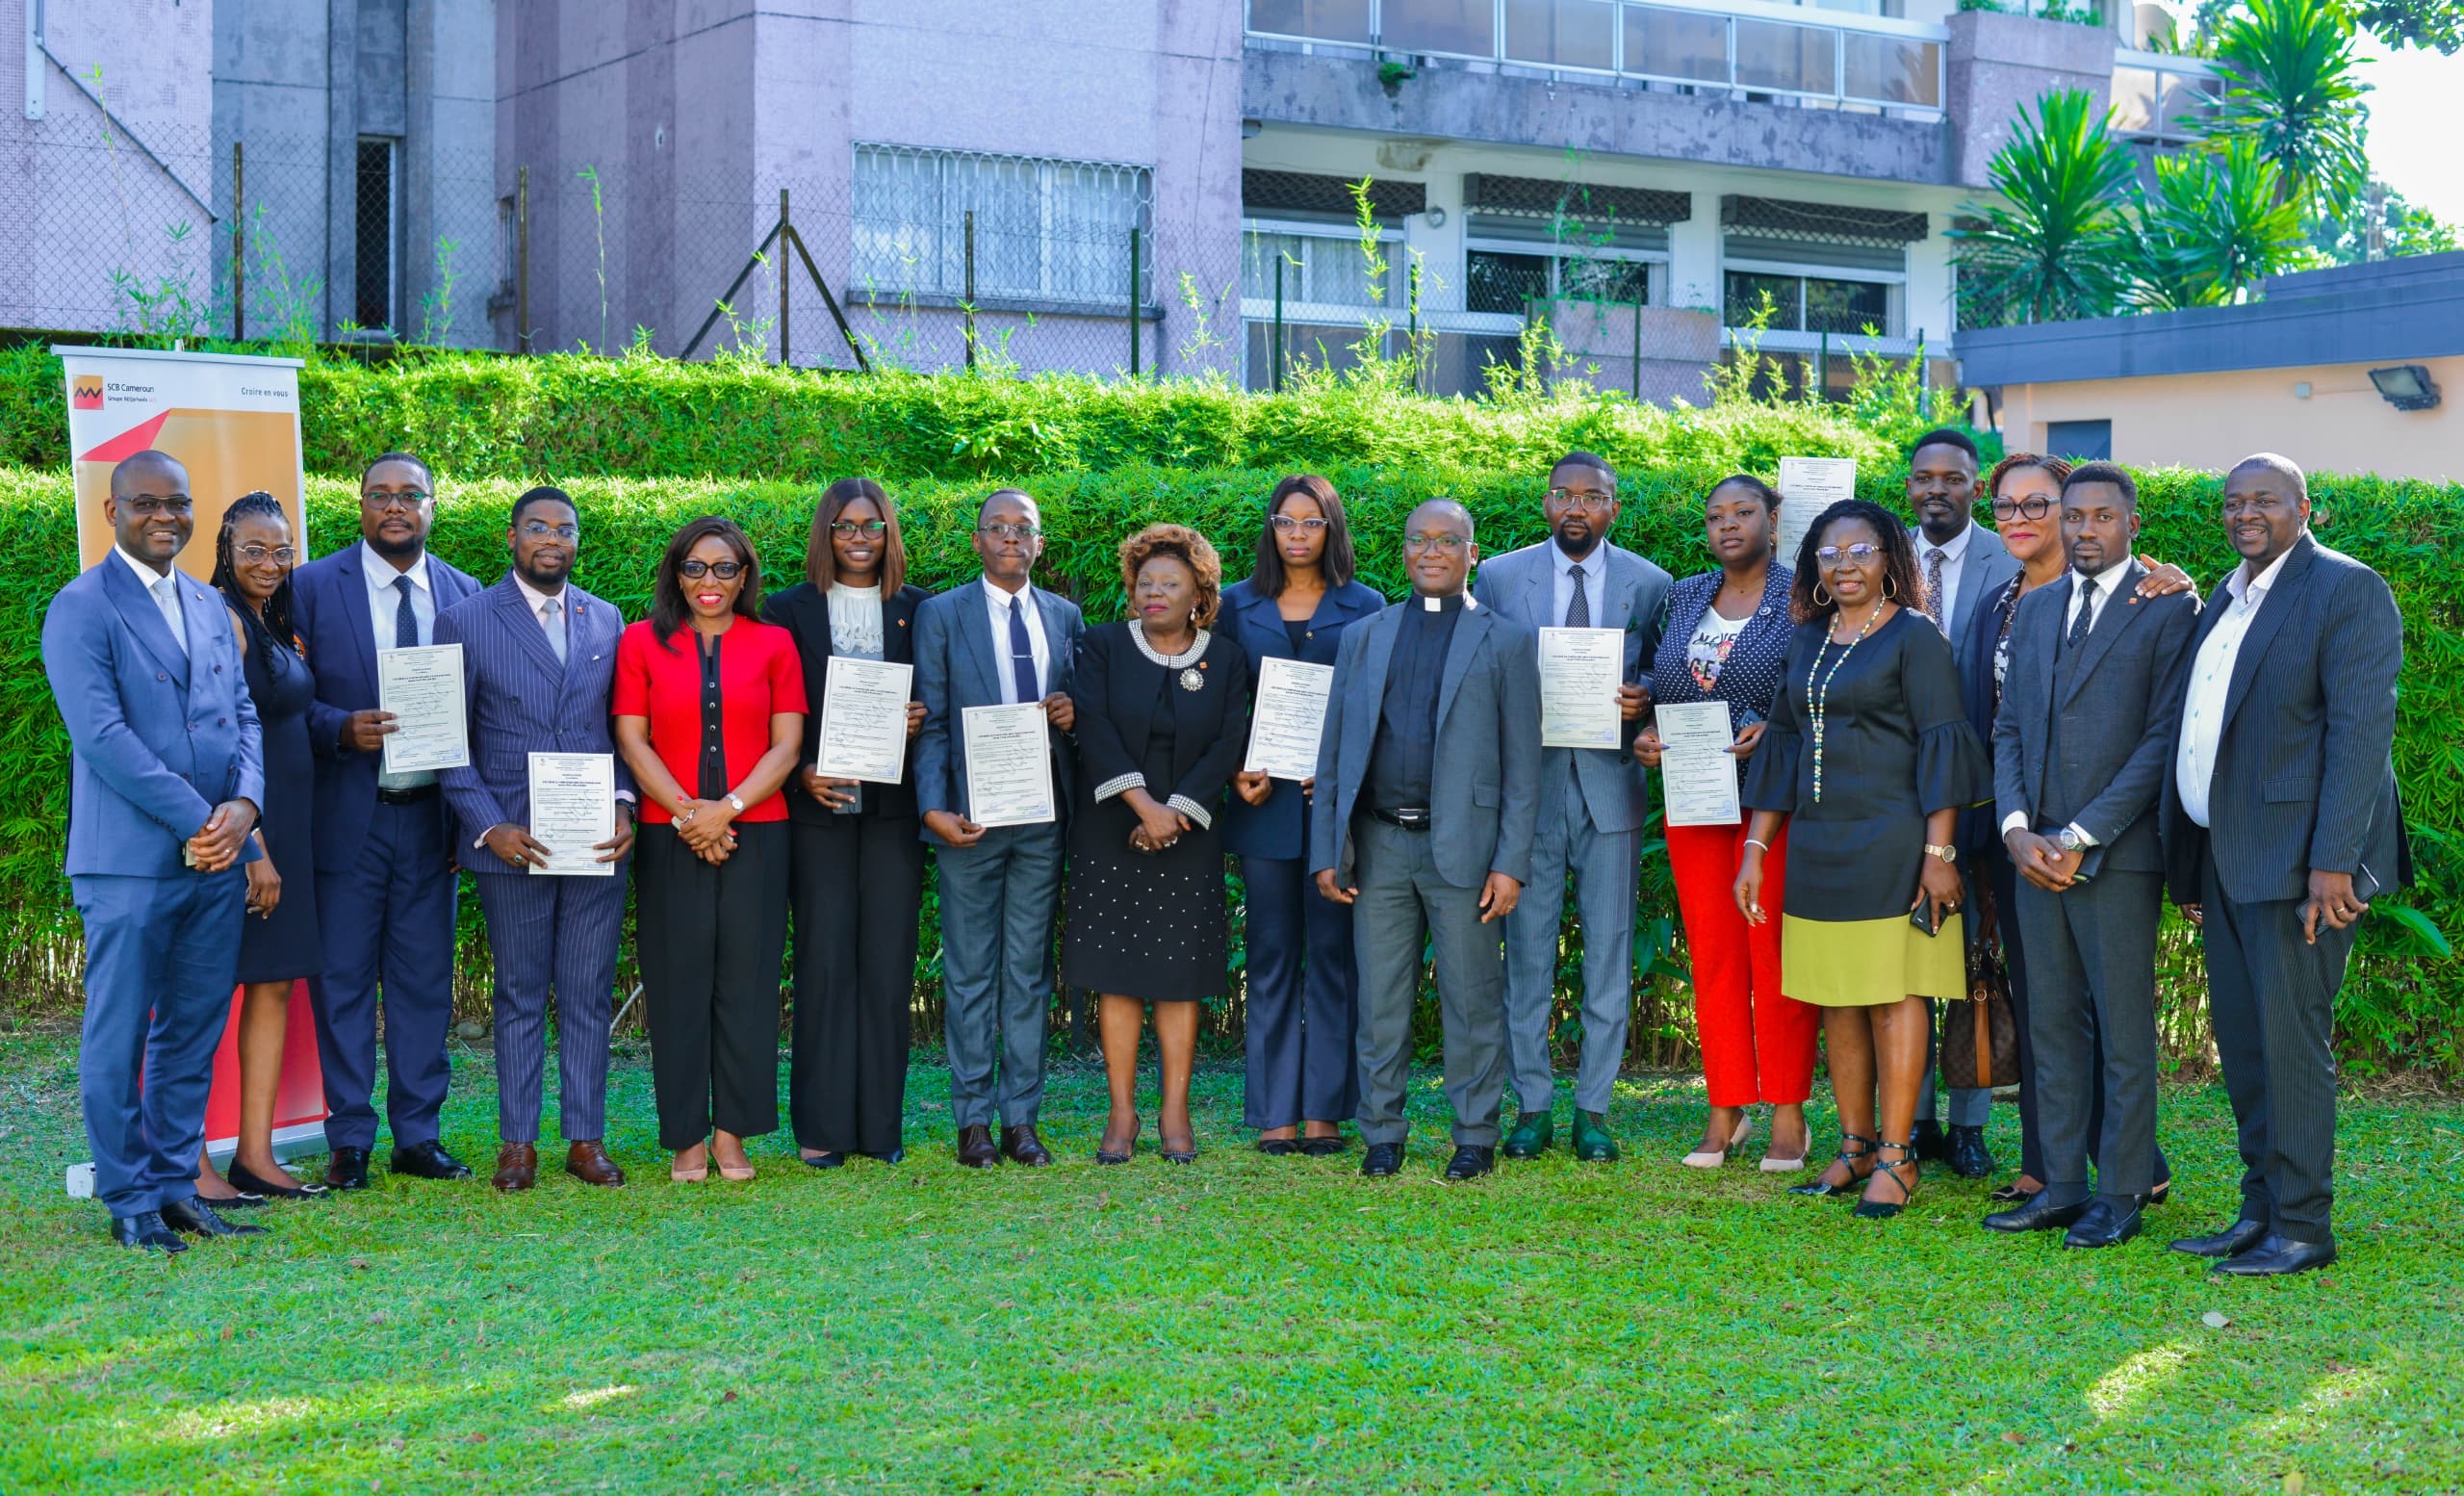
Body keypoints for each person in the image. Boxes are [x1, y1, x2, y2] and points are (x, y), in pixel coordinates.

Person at [2160, 453, 2407, 1277]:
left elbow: (2361, 737)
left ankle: (2303, 1227)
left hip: (2304, 869)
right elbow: (2208, 729)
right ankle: (2259, 1208)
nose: (2245, 513)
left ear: (2305, 508)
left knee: (2292, 1046)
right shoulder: (2227, 595)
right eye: (2233, 502)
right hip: (2231, 863)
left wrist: (2333, 865)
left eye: (2264, 499)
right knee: (2247, 1043)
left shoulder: (2346, 588)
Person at [1733, 500, 1990, 1220]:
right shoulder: (1808, 638)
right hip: (1819, 846)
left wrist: (1939, 853)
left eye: (1861, 551)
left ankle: (1899, 1157)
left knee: (1893, 995)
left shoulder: (1915, 637)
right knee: (1836, 997)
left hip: (1896, 843)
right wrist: (1756, 847)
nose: (1844, 565)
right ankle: (1853, 1147)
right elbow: (1782, 747)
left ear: (1889, 560)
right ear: (1814, 565)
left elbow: (1944, 740)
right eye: (1829, 554)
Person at [44, 450, 266, 1251]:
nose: (165, 516)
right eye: (146, 504)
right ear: (112, 512)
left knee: (192, 1029)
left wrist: (243, 808)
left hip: (216, 860)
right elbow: (102, 738)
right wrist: (202, 822)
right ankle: (128, 1197)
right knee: (119, 1034)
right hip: (131, 864)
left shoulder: (210, 605)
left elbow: (242, 713)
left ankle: (176, 1184)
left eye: (178, 503)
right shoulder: (81, 607)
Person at [1981, 463, 2200, 1250]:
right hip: (2031, 854)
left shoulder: (2168, 609)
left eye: (2103, 517)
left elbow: (2161, 742)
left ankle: (2123, 1190)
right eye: (2074, 517)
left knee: (2122, 1028)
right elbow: (2007, 729)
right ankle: (2064, 1185)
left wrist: (2079, 837)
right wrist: (2015, 830)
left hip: (2116, 856)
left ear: (2132, 524)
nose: (2084, 530)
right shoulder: (2035, 611)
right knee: (2052, 1025)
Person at [1312, 500, 1541, 1183]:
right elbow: (1334, 753)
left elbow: (1524, 768)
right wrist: (1330, 849)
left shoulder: (1505, 640)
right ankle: (1382, 1133)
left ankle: (1474, 1135)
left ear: (1473, 553)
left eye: (1448, 541)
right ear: (1405, 552)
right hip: (1379, 846)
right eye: (1420, 541)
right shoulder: (1365, 635)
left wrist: (1510, 863)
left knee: (1472, 1000)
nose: (1432, 551)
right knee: (1381, 1000)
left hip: (1465, 852)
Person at [434, 486, 636, 1193]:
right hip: (509, 840)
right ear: (512, 537)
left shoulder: (606, 619)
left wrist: (623, 805)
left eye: (566, 529)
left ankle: (585, 1140)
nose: (552, 538)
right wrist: (488, 826)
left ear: (578, 542)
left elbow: (621, 729)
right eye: (538, 527)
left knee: (585, 992)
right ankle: (517, 1143)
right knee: (520, 994)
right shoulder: (462, 619)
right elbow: (445, 738)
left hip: (592, 842)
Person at [289, 451, 482, 1189]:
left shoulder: (465, 596)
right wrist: (341, 727)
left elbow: (486, 718)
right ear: (360, 505)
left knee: (424, 983)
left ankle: (418, 1136)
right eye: (381, 495)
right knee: (340, 981)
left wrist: (475, 822)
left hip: (432, 820)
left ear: (433, 506)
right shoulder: (309, 588)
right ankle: (349, 1141)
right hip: (347, 818)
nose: (395, 507)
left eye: (411, 495)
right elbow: (277, 702)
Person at [1471, 451, 1669, 1164]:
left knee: (1609, 954)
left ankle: (1593, 1109)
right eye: (1563, 495)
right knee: (1526, 956)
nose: (1576, 508)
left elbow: (1661, 672)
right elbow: (1480, 668)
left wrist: (1643, 696)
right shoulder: (1497, 575)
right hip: (1529, 793)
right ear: (1546, 503)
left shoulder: (1651, 583)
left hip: (1612, 787)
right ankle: (1533, 1107)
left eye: (1593, 496)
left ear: (1614, 507)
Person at [613, 517, 807, 1183]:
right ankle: (686, 1139)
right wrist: (691, 813)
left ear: (745, 576)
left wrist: (729, 809)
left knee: (748, 988)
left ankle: (732, 1137)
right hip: (672, 837)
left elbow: (787, 746)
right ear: (676, 572)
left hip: (760, 831)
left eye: (724, 568)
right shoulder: (640, 642)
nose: (709, 582)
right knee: (677, 986)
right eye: (695, 567)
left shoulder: (776, 643)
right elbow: (633, 741)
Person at [1636, 475, 1818, 1172]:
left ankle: (1789, 1112)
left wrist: (1775, 725)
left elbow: (1818, 685)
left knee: (1773, 955)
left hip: (1773, 804)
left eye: (1744, 512)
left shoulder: (1804, 595)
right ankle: (1726, 1106)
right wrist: (1647, 732)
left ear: (1774, 518)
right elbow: (1665, 682)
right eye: (1716, 516)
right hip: (1696, 797)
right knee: (1714, 957)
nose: (1728, 525)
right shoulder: (1684, 594)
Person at [1066, 525, 1252, 1164]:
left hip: (1189, 832)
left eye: (1170, 583)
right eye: (1145, 582)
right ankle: (1122, 1114)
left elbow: (1230, 742)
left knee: (1179, 979)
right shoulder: (1102, 646)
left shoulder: (1225, 659)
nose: (1155, 592)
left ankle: (1176, 1112)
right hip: (1111, 830)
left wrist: (1178, 812)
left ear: (1199, 592)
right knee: (1116, 978)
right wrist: (1144, 806)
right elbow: (1092, 727)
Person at [762, 478, 934, 1169]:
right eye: (844, 526)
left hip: (893, 813)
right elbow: (771, 707)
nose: (859, 538)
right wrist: (801, 770)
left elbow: (942, 697)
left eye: (872, 526)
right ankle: (822, 1128)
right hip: (819, 810)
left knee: (888, 966)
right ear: (824, 534)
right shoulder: (786, 609)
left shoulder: (921, 609)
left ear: (889, 533)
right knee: (825, 962)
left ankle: (878, 1128)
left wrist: (920, 718)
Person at [912, 489, 1084, 1169]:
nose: (1011, 538)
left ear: (1040, 544)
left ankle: (1021, 1121)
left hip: (1042, 819)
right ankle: (972, 1121)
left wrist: (1075, 716)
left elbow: (1082, 715)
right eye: (998, 528)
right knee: (970, 973)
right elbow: (929, 717)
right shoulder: (941, 614)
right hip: (969, 819)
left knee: (1028, 972)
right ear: (977, 540)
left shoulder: (1066, 617)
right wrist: (932, 807)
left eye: (1025, 529)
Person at [1220, 476, 1384, 1157]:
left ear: (1331, 529)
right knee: (1270, 956)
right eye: (1285, 522)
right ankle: (1275, 1111)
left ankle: (1325, 1111)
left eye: (1311, 523)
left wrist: (1346, 771)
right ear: (1270, 527)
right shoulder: (1234, 604)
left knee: (1334, 956)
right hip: (1263, 804)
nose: (1296, 535)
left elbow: (1379, 708)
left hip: (1334, 808)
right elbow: (1222, 701)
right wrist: (1235, 767)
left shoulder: (1367, 605)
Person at [192, 492, 326, 1206]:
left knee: (273, 986)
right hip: (251, 840)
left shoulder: (270, 625)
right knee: (208, 996)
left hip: (293, 830)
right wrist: (254, 850)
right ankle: (190, 1162)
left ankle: (255, 1154)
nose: (270, 563)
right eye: (254, 549)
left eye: (281, 550)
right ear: (224, 548)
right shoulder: (219, 620)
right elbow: (218, 746)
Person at [1901, 426, 2017, 1179]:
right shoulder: (1878, 555)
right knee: (1907, 960)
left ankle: (1969, 1119)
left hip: (1979, 789)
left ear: (1977, 487)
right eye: (1924, 477)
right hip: (1891, 790)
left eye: (1954, 477)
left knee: (1975, 955)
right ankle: (1908, 1121)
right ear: (1908, 486)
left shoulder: (2012, 559)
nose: (1937, 488)